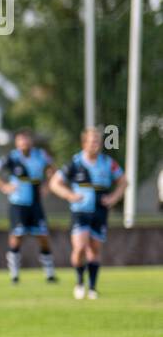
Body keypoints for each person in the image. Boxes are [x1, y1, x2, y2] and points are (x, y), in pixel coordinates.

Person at [48, 127, 128, 299]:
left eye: (98, 142)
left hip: (100, 211)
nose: (95, 145)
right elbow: (55, 183)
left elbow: (123, 181)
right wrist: (69, 195)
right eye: (92, 141)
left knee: (94, 249)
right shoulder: (75, 163)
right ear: (84, 143)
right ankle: (79, 282)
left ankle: (92, 287)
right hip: (80, 211)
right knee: (80, 247)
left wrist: (113, 198)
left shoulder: (108, 162)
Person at [0, 129, 56, 284]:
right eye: (21, 140)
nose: (24, 143)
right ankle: (14, 274)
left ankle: (49, 274)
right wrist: (4, 186)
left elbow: (52, 169)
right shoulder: (12, 157)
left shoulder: (40, 155)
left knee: (43, 236)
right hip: (18, 203)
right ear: (17, 142)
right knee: (17, 237)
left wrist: (48, 186)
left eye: (26, 139)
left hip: (35, 203)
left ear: (31, 141)